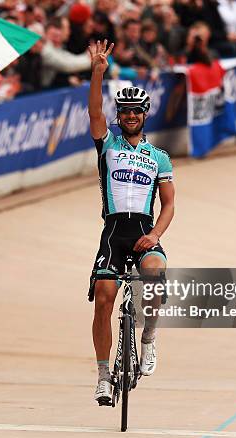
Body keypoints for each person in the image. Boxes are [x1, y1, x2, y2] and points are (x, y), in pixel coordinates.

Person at [87, 40, 175, 405]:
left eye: (136, 111)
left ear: (144, 114)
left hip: (142, 230)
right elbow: (94, 115)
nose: (130, 115)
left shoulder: (159, 157)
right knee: (104, 298)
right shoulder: (107, 145)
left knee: (154, 274)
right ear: (119, 115)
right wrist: (97, 74)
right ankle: (104, 376)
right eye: (124, 111)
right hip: (113, 232)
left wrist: (154, 233)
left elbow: (169, 204)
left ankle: (149, 339)